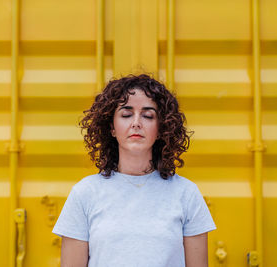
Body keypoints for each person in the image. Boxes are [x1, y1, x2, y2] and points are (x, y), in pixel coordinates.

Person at [52, 74, 216, 267]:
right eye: (126, 114)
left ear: (161, 128)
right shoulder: (84, 193)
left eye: (148, 115)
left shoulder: (187, 194)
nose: (136, 122)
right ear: (111, 127)